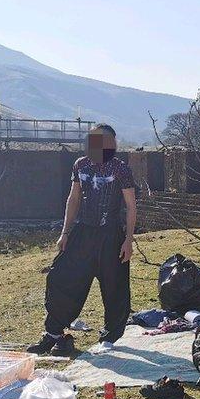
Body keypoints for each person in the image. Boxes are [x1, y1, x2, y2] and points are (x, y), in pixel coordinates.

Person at [29, 124, 135, 355]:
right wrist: (65, 233)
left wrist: (128, 240)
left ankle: (111, 335)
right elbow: (73, 198)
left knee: (114, 286)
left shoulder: (121, 169)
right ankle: (53, 333)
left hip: (111, 234)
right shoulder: (80, 164)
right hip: (82, 232)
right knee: (62, 277)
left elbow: (131, 205)